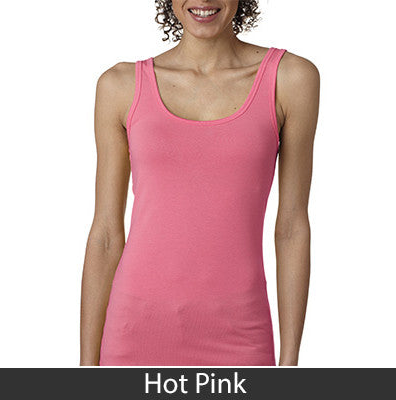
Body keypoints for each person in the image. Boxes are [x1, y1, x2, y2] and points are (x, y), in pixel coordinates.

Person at [80, 0, 320, 366]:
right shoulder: (119, 85)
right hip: (134, 332)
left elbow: (291, 227)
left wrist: (290, 362)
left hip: (241, 336)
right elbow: (106, 234)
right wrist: (85, 369)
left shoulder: (290, 79)